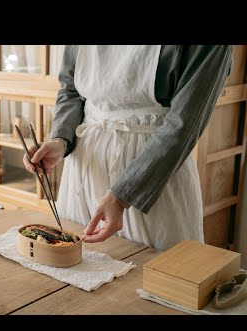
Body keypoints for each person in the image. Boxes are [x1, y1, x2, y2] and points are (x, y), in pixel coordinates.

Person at [23, 45, 233, 250]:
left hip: (152, 178)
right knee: (75, 265)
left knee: (155, 275)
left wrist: (123, 195)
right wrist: (60, 140)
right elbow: (71, 90)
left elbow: (184, 123)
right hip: (84, 168)